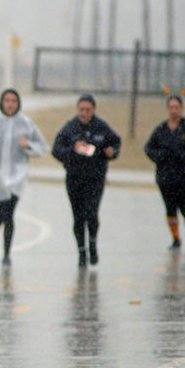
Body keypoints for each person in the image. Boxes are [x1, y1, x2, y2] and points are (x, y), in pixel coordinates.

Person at [0, 88, 49, 266]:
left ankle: (6, 254)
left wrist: (28, 145)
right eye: (7, 100)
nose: (10, 104)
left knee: (9, 213)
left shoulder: (26, 123)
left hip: (17, 175)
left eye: (14, 101)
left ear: (18, 103)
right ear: (2, 102)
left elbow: (43, 147)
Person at [52, 94, 121, 267]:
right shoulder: (70, 128)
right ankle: (81, 252)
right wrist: (72, 150)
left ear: (93, 110)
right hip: (74, 178)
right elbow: (56, 150)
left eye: (87, 110)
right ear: (77, 110)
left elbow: (116, 143)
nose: (84, 113)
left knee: (91, 213)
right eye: (81, 110)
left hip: (95, 178)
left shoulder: (101, 127)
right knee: (78, 217)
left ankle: (93, 243)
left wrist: (112, 152)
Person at [144, 95, 185, 250]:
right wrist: (159, 157)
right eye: (171, 107)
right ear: (167, 109)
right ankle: (176, 238)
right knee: (170, 208)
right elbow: (148, 148)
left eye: (176, 107)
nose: (174, 111)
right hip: (166, 176)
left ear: (181, 109)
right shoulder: (161, 130)